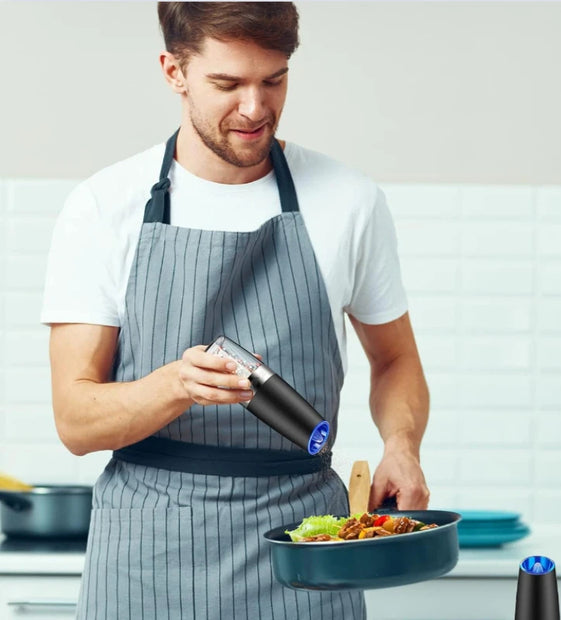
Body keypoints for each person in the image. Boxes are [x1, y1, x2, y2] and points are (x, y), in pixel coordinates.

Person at [41, 2, 430, 618]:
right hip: (148, 551)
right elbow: (76, 421)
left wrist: (402, 445)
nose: (255, 108)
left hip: (306, 545)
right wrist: (173, 385)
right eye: (227, 84)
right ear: (175, 71)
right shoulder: (102, 206)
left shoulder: (349, 200)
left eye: (273, 80)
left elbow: (396, 359)